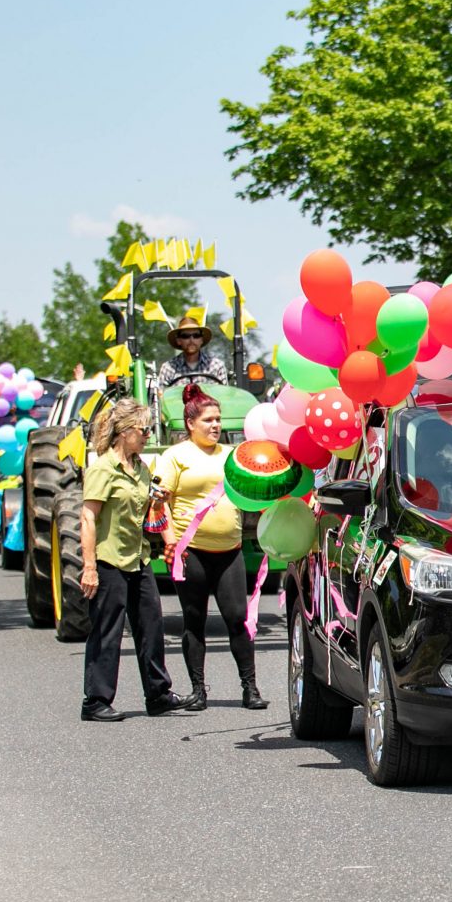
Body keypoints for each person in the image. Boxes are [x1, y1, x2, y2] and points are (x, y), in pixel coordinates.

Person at [78, 399, 196, 722]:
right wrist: (89, 567)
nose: (147, 435)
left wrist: (171, 540)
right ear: (124, 432)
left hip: (138, 556)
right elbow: (88, 519)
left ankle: (158, 694)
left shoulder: (140, 468)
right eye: (143, 430)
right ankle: (96, 700)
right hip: (109, 560)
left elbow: (154, 508)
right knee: (107, 630)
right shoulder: (103, 468)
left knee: (151, 624)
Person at [154, 385, 264, 711]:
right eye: (208, 420)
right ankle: (198, 691)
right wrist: (170, 542)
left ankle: (250, 688)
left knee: (238, 620)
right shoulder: (174, 457)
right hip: (192, 552)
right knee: (194, 620)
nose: (215, 425)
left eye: (218, 420)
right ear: (190, 423)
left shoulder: (232, 455)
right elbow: (161, 504)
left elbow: (253, 490)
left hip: (229, 551)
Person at [160, 309, 227, 388]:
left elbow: (224, 397)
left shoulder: (216, 366)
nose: (191, 340)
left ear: (201, 339)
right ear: (179, 341)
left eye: (196, 335)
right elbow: (162, 397)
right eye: (186, 336)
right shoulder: (168, 368)